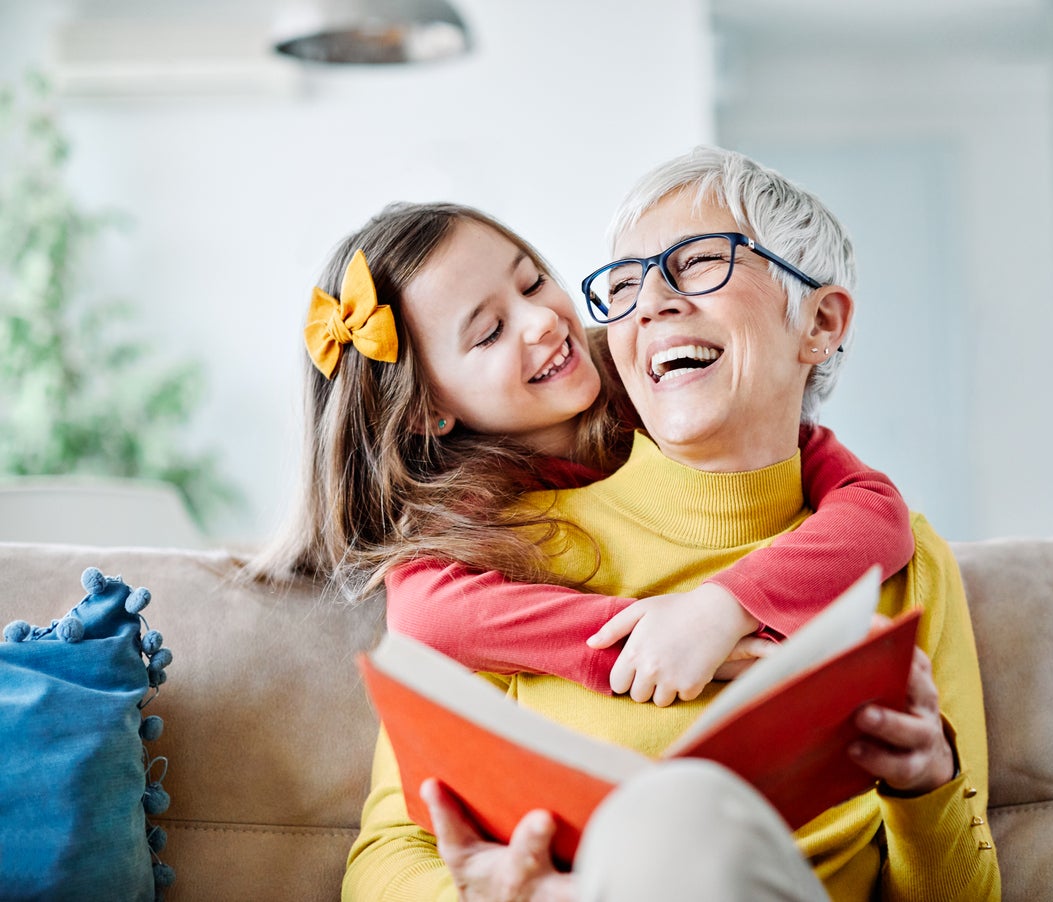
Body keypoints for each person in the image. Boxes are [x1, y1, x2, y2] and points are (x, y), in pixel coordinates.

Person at [342, 148, 1000, 900]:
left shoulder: (902, 562)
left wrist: (925, 788)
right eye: (624, 284)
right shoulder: (493, 557)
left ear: (819, 322)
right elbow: (385, 862)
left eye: (697, 264)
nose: (650, 301)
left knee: (682, 810)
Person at [254, 200, 915, 707]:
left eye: (533, 282)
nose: (541, 320)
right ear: (429, 410)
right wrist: (657, 641)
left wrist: (722, 607)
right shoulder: (470, 510)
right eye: (490, 332)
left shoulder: (658, 378)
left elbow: (876, 513)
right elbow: (427, 614)